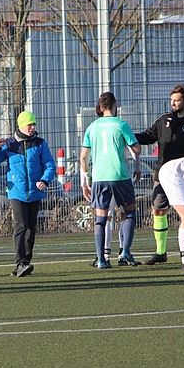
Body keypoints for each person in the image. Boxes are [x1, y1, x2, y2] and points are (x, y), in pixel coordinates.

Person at [134, 84, 184, 266]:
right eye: (172, 100)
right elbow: (148, 136)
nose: (173, 103)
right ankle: (160, 252)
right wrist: (128, 135)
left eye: (177, 100)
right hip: (164, 173)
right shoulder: (164, 120)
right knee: (158, 210)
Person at [0, 110, 56, 277]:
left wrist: (45, 180)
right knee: (21, 226)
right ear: (21, 125)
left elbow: (50, 165)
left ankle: (26, 262)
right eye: (29, 125)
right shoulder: (10, 144)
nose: (32, 128)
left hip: (35, 193)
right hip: (16, 192)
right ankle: (20, 262)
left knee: (31, 229)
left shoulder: (40, 143)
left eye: (33, 124)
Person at [81, 91, 142, 269]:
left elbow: (83, 158)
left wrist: (87, 178)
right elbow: (136, 149)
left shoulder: (92, 127)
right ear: (115, 105)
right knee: (129, 213)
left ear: (100, 108)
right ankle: (125, 252)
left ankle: (101, 259)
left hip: (99, 178)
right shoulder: (121, 124)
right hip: (119, 175)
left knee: (101, 218)